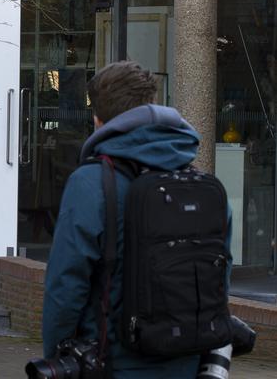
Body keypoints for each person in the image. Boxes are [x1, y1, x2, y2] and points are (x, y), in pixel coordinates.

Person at [42, 61, 231, 378]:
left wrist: (56, 358)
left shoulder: (91, 183)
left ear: (98, 119)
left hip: (112, 363)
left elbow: (66, 286)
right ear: (152, 104)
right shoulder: (203, 185)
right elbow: (219, 279)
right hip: (187, 362)